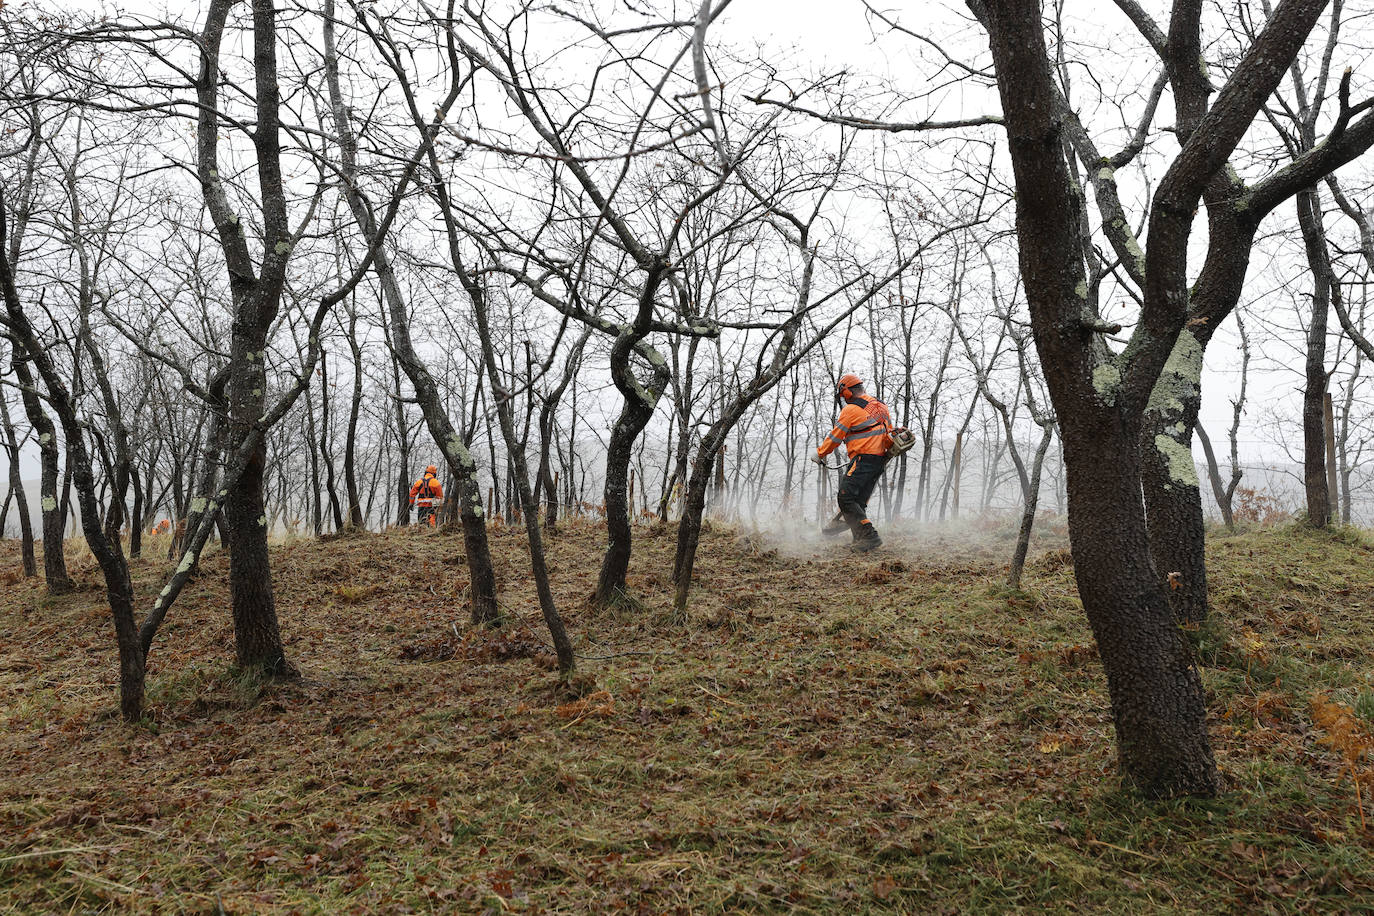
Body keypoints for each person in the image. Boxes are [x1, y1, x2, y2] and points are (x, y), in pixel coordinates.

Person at [812, 373, 893, 552]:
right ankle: (860, 540)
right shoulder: (880, 406)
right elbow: (888, 434)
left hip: (863, 458)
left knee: (845, 497)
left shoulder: (851, 409)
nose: (843, 400)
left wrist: (820, 453)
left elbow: (836, 435)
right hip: (880, 460)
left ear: (847, 392)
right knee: (858, 501)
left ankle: (869, 536)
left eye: (843, 396)